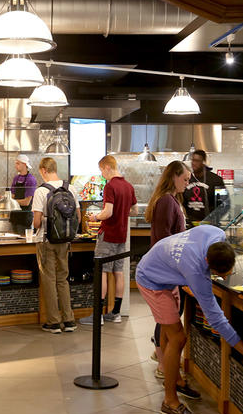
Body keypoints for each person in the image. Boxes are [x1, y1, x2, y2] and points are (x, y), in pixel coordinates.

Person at [135, 225, 243, 414]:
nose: (225, 278)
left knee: (171, 330)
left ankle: (175, 380)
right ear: (206, 263)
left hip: (164, 266)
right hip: (151, 280)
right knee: (178, 337)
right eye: (220, 275)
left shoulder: (217, 235)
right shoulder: (195, 272)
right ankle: (169, 401)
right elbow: (217, 320)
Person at [144, 160, 191, 379]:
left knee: (168, 318)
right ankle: (163, 361)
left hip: (169, 269)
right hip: (166, 270)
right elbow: (164, 239)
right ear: (173, 176)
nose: (187, 183)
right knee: (168, 319)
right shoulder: (166, 202)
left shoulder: (171, 200)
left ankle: (163, 359)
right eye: (185, 179)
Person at [81, 155, 137, 325]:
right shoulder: (128, 186)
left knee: (102, 272)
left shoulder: (110, 186)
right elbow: (133, 211)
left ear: (106, 167)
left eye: (101, 171)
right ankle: (116, 313)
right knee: (118, 272)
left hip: (109, 235)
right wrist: (122, 214)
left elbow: (108, 212)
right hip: (122, 236)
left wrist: (94, 217)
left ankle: (98, 316)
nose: (102, 175)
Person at [31, 157, 81, 333]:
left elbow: (37, 222)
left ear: (44, 170)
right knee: (63, 279)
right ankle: (69, 320)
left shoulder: (41, 192)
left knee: (49, 279)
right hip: (65, 241)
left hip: (46, 241)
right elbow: (78, 218)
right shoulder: (71, 189)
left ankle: (53, 322)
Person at [183, 149, 226, 224]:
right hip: (190, 224)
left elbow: (225, 202)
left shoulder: (216, 180)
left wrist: (214, 218)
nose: (193, 163)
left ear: (203, 162)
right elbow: (181, 201)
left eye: (197, 161)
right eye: (193, 160)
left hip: (209, 224)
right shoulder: (187, 179)